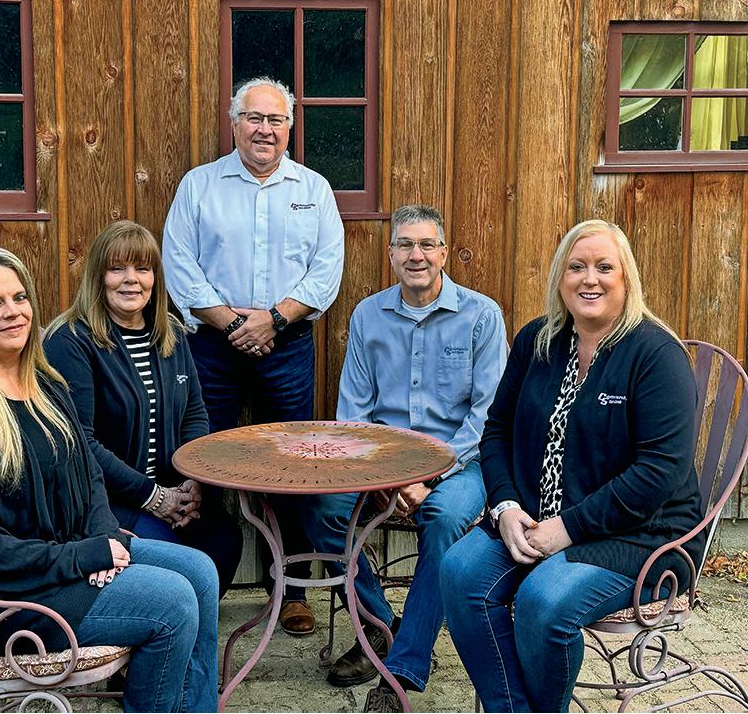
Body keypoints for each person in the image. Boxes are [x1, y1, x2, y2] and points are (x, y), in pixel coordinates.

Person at [0, 246, 219, 712]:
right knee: (171, 602)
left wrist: (104, 537)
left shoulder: (43, 384)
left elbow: (88, 474)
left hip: (65, 556)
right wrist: (81, 557)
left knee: (201, 573)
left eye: (19, 298)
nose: (13, 312)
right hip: (7, 600)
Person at [440, 220, 705, 713]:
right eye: (576, 267)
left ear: (626, 278)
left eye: (605, 267)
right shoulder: (538, 341)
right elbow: (496, 431)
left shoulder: (655, 355)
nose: (590, 279)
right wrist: (504, 506)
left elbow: (658, 473)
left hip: (639, 535)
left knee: (544, 601)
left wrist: (565, 530)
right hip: (534, 519)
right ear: (560, 278)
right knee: (459, 573)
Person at [302, 205, 508, 706]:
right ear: (391, 253)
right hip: (381, 467)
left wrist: (428, 478)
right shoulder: (368, 315)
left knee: (444, 520)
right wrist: (383, 478)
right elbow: (353, 416)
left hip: (459, 466)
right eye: (405, 245)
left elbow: (487, 417)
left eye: (426, 245)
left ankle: (404, 671)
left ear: (443, 252)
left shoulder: (482, 316)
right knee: (322, 508)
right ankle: (379, 626)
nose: (417, 255)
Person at [162, 76, 345, 635]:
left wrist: (274, 319)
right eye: (254, 118)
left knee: (291, 466)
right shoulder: (200, 185)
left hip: (286, 345)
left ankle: (290, 589)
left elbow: (326, 271)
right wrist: (234, 323)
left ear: (290, 126)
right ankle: (201, 584)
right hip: (211, 347)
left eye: (276, 120)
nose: (265, 129)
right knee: (205, 461)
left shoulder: (314, 189)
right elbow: (179, 265)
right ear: (234, 122)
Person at [43, 220, 244, 597]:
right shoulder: (71, 341)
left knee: (225, 542)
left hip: (173, 492)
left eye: (143, 268)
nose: (131, 279)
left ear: (155, 277)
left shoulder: (171, 333)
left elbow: (194, 413)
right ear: (98, 276)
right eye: (117, 268)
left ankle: (187, 635)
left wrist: (191, 482)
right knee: (178, 565)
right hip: (107, 504)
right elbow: (81, 444)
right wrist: (153, 497)